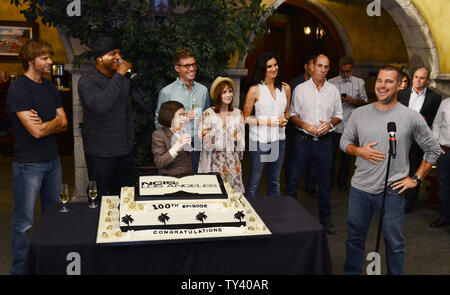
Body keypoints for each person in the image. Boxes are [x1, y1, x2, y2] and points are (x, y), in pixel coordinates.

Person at [340, 66, 441, 275]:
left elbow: (432, 149)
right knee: (354, 239)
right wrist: (358, 150)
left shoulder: (410, 117)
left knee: (394, 244)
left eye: (389, 82)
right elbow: (344, 141)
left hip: (392, 191)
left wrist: (416, 178)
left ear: (399, 86)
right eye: (379, 81)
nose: (382, 86)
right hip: (359, 190)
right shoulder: (360, 113)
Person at [6, 39, 68, 274]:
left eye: (50, 57)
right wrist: (53, 123)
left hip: (53, 161)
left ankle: (49, 263)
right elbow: (36, 131)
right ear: (30, 61)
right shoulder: (19, 89)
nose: (50, 62)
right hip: (28, 165)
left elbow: (64, 124)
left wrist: (48, 123)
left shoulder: (50, 88)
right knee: (24, 222)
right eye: (44, 58)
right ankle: (19, 269)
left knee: (53, 217)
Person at [284, 54, 343, 235]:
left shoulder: (333, 90)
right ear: (312, 67)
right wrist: (305, 125)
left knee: (325, 184)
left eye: (326, 67)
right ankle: (289, 218)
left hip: (325, 143)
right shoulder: (300, 89)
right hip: (303, 141)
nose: (323, 70)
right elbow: (292, 114)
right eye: (319, 66)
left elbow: (339, 114)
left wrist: (330, 124)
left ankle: (325, 220)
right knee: (293, 180)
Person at [78, 37, 135, 202]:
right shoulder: (87, 81)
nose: (119, 57)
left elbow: (127, 112)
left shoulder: (121, 81)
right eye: (113, 53)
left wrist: (130, 138)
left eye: (119, 53)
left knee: (123, 198)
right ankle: (94, 227)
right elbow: (101, 106)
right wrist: (119, 75)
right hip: (100, 152)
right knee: (98, 198)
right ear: (100, 59)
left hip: (124, 150)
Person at [243, 52, 291, 198]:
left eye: (275, 65)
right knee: (254, 181)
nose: (273, 69)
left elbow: (287, 112)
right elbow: (245, 118)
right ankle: (251, 215)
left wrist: (285, 120)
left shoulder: (285, 88)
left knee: (275, 181)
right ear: (263, 69)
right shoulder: (255, 90)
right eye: (269, 66)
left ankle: (273, 215)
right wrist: (267, 122)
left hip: (279, 140)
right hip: (258, 140)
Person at [155, 48, 210, 173]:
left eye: (193, 64)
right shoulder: (167, 92)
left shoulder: (203, 90)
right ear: (177, 68)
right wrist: (180, 118)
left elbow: (207, 117)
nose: (191, 69)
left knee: (198, 184)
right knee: (177, 185)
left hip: (198, 146)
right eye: (186, 66)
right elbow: (158, 123)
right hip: (175, 144)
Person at [398, 67, 441, 213]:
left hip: (418, 140)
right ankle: (395, 198)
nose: (418, 80)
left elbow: (437, 120)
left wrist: (426, 119)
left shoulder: (435, 98)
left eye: (422, 78)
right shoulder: (401, 94)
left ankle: (409, 202)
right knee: (397, 167)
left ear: (428, 80)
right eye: (416, 77)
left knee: (414, 169)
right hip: (401, 137)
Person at [198, 76, 245, 192]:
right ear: (218, 95)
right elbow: (202, 138)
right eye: (224, 92)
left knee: (233, 194)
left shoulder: (238, 113)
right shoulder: (208, 114)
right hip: (213, 160)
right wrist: (216, 134)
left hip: (232, 160)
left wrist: (239, 140)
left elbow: (242, 139)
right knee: (214, 192)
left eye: (230, 91)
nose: (228, 95)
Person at [329, 56, 368, 191]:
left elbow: (365, 102)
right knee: (331, 157)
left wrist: (353, 101)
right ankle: (329, 182)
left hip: (350, 127)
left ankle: (342, 184)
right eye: (343, 71)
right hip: (335, 126)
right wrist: (337, 100)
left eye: (348, 71)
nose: (346, 74)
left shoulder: (359, 82)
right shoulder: (331, 82)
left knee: (346, 159)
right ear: (339, 69)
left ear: (352, 69)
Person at [287, 55, 317, 198]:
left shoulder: (321, 85)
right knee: (294, 161)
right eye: (313, 65)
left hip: (314, 132)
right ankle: (290, 189)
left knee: (312, 162)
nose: (315, 68)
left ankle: (310, 187)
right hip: (296, 130)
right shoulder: (295, 84)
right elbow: (289, 109)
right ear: (306, 67)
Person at [152, 101, 192, 176]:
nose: (184, 118)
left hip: (187, 178)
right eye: (180, 115)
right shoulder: (158, 135)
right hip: (168, 179)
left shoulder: (184, 131)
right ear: (169, 116)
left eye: (184, 115)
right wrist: (177, 146)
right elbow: (160, 163)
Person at [430, 97, 450, 228]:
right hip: (445, 151)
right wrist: (436, 144)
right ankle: (445, 216)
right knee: (444, 187)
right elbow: (436, 124)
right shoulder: (445, 103)